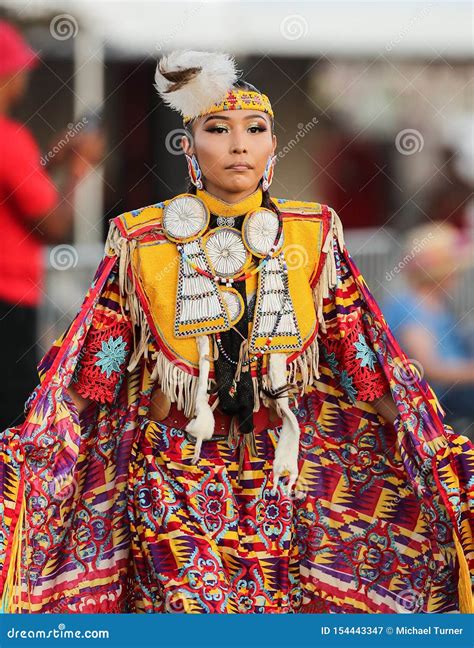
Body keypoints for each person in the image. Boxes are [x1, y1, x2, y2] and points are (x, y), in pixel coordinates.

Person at [0, 50, 472, 614]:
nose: (239, 145)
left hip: (277, 469)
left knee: (262, 612)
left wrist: (429, 449)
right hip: (173, 466)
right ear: (188, 145)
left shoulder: (311, 235)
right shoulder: (142, 241)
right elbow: (97, 370)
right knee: (189, 607)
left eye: (256, 130)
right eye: (218, 130)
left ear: (273, 146)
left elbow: (358, 357)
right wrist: (38, 448)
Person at [0, 20, 105, 431]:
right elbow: (54, 224)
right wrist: (79, 169)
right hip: (9, 299)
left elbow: (17, 187)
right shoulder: (10, 139)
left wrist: (55, 159)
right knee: (15, 415)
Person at [383, 223, 474, 440]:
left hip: (451, 393)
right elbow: (431, 368)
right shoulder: (410, 306)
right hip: (436, 399)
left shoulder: (433, 302)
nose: (458, 276)